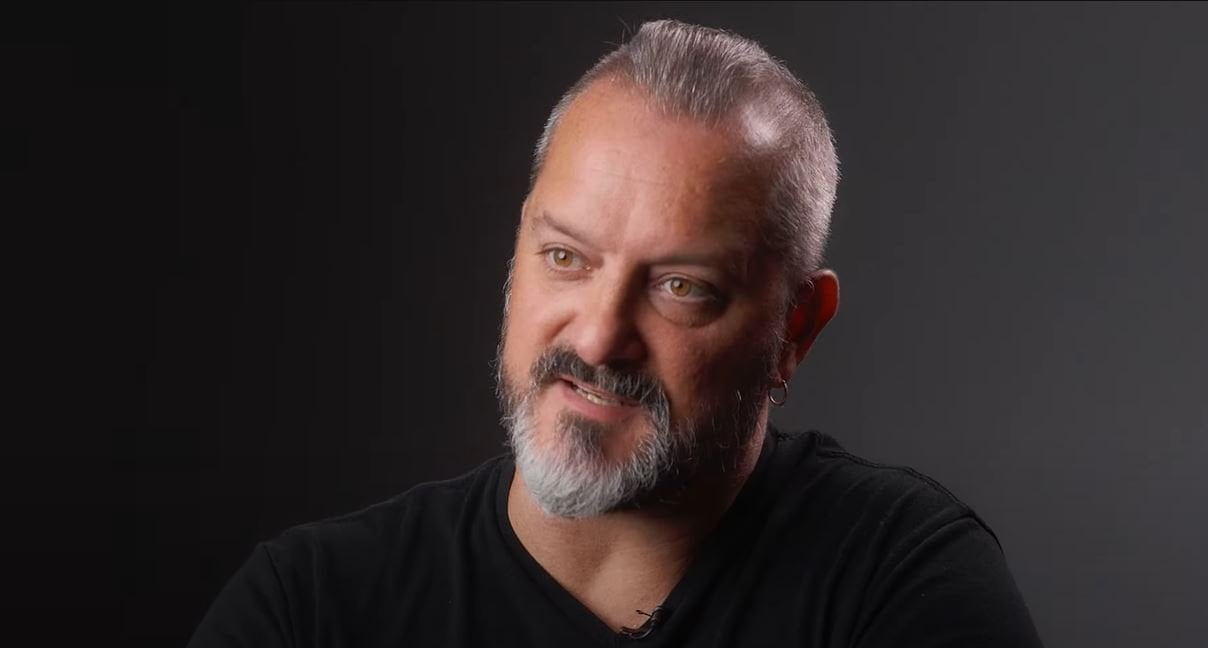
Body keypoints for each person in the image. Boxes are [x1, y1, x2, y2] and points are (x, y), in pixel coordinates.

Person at [188, 19, 1044, 647]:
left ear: (795, 328)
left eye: (681, 287)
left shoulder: (902, 586)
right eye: (566, 257)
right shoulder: (312, 608)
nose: (598, 340)